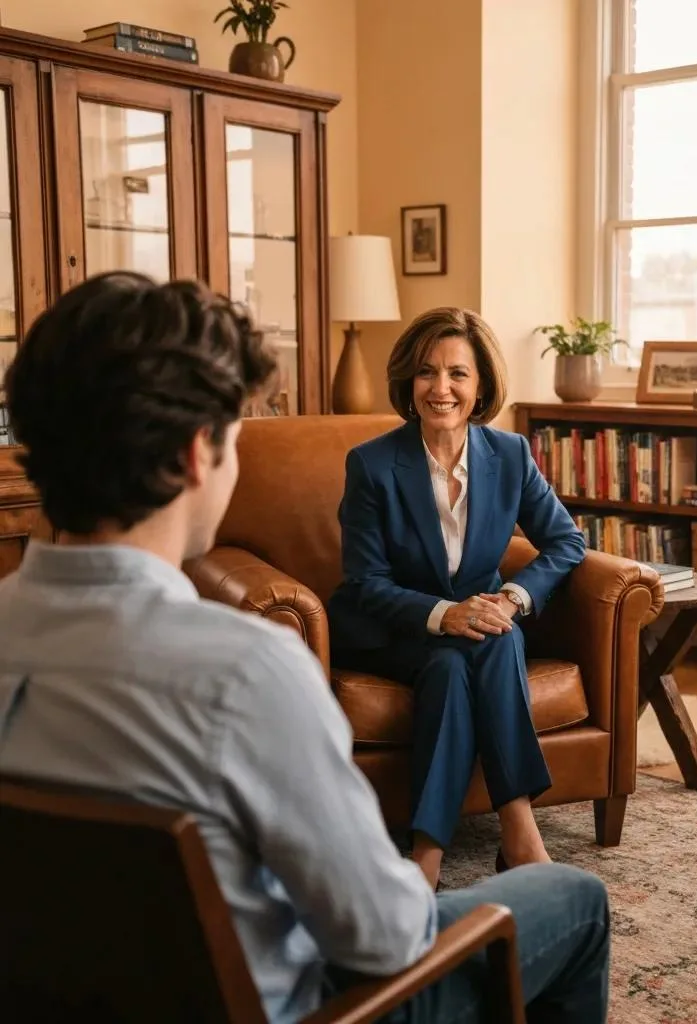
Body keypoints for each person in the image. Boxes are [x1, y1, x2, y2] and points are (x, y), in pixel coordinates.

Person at [0, 273, 610, 1024]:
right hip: (310, 1009)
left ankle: (491, 828)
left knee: (477, 648)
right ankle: (490, 844)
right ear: (200, 455)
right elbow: (385, 938)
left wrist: (500, 603)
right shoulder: (247, 675)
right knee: (576, 899)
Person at [328, 307, 587, 891]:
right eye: (426, 373)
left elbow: (566, 541)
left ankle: (428, 852)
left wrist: (514, 598)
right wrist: (446, 614)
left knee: (472, 653)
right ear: (408, 382)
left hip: (472, 632)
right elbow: (365, 581)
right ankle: (520, 835)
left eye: (457, 374)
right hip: (393, 628)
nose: (440, 388)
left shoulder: (511, 455)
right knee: (469, 644)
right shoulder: (372, 464)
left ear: (481, 386)